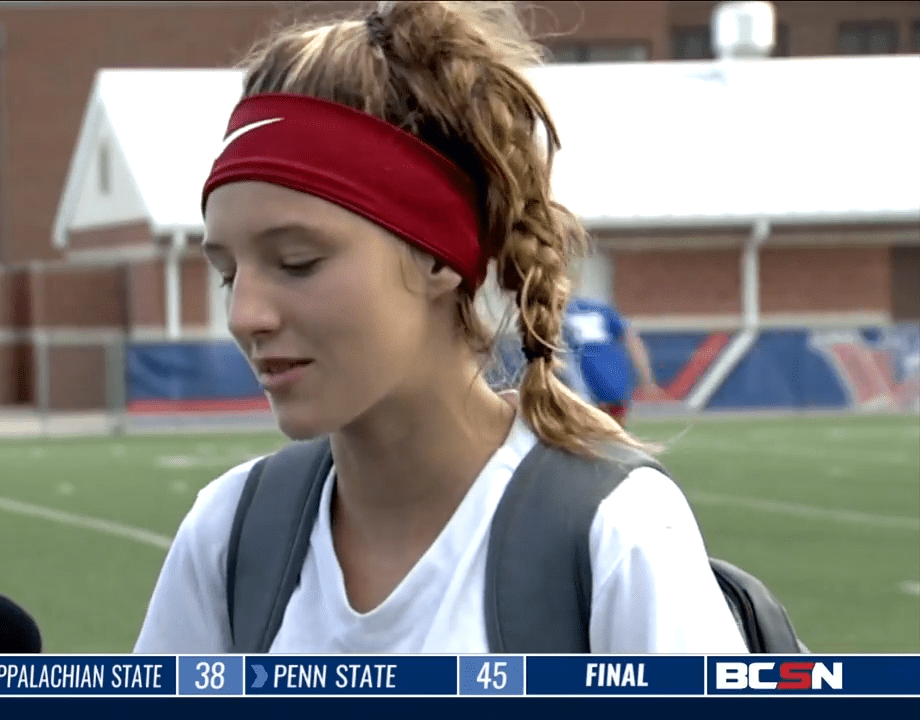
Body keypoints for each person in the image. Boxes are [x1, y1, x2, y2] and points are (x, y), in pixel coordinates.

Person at [134, 1, 746, 655]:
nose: (244, 315)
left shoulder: (614, 535)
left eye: (297, 262)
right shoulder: (228, 537)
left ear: (436, 256)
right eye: (229, 273)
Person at [563, 295, 667, 426]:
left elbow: (631, 338)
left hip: (593, 370)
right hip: (596, 372)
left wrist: (646, 378)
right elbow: (631, 338)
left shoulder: (597, 308)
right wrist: (647, 378)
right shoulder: (598, 308)